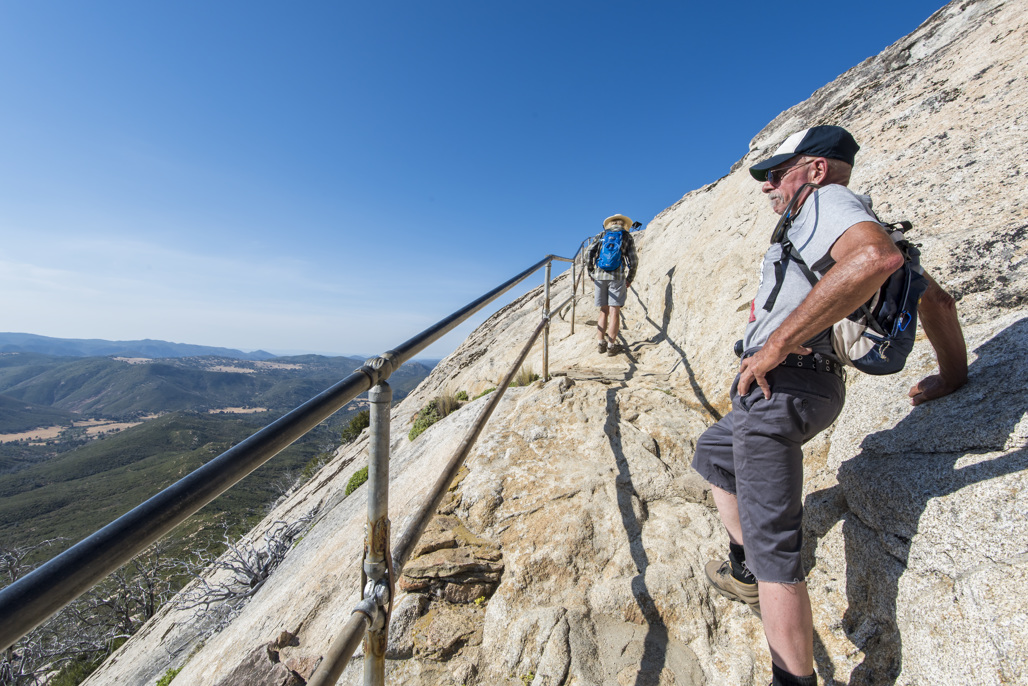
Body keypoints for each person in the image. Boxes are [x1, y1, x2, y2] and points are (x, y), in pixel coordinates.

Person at [691, 126, 968, 686]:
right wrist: (952, 376)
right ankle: (746, 566)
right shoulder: (829, 220)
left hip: (783, 388)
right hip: (797, 388)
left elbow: (875, 259)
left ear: (814, 170)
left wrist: (773, 344)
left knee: (777, 553)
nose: (768, 185)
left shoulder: (826, 203)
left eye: (778, 172)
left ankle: (792, 676)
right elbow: (934, 298)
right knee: (714, 453)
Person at [587, 214, 638, 356]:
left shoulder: (602, 235)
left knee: (603, 310)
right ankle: (611, 346)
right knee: (615, 311)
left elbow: (589, 252)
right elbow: (633, 261)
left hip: (600, 276)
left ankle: (600, 343)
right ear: (624, 225)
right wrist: (630, 278)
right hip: (617, 276)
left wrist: (591, 271)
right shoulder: (626, 237)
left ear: (610, 224)